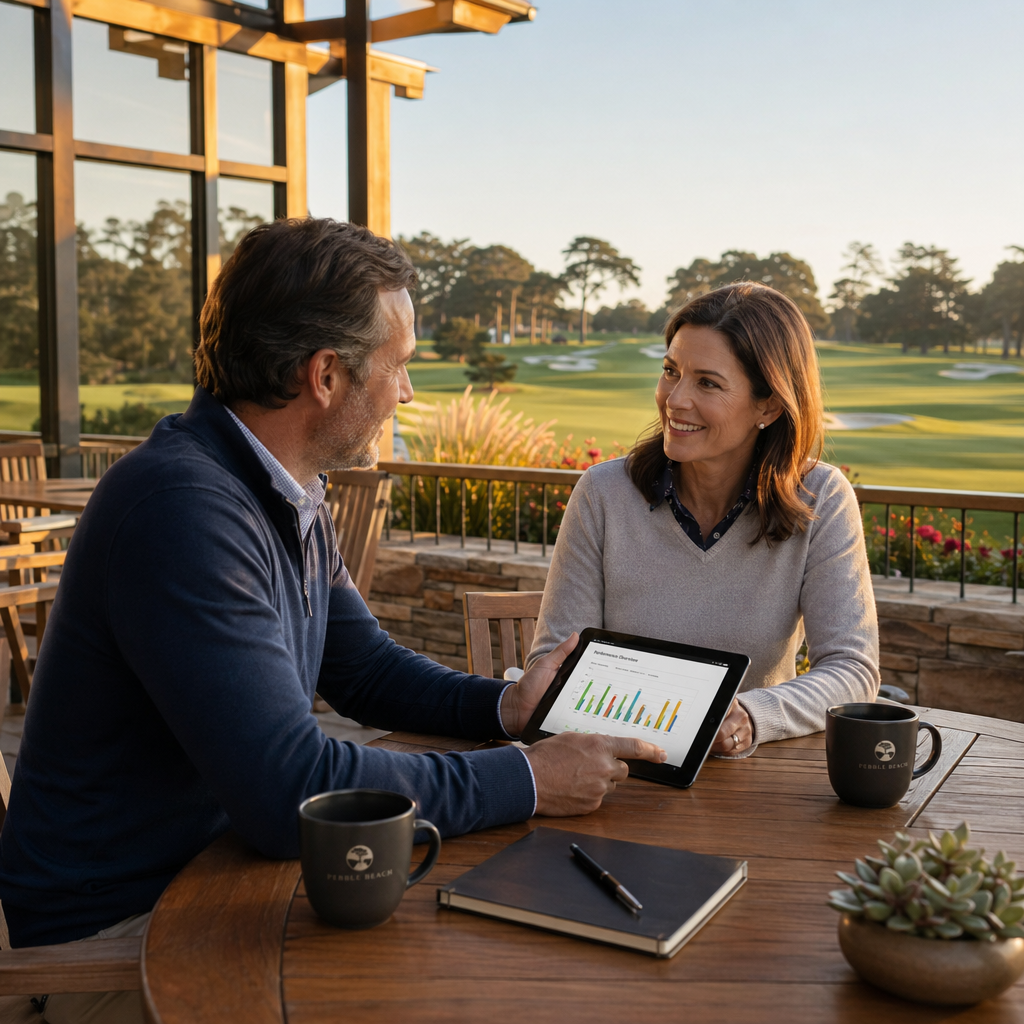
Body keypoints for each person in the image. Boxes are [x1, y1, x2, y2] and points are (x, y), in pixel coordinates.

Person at [0, 219, 666, 1023]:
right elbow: (293, 791)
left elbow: (364, 670)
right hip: (123, 934)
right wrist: (529, 777)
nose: (408, 393)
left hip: (224, 872)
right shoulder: (183, 509)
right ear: (325, 376)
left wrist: (505, 708)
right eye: (401, 367)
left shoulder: (281, 489)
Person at [527, 283, 879, 755]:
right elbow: (554, 663)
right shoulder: (603, 493)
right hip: (619, 773)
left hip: (757, 780)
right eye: (671, 371)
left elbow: (852, 671)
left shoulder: (823, 498)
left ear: (768, 405)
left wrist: (750, 717)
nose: (674, 400)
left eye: (707, 383)